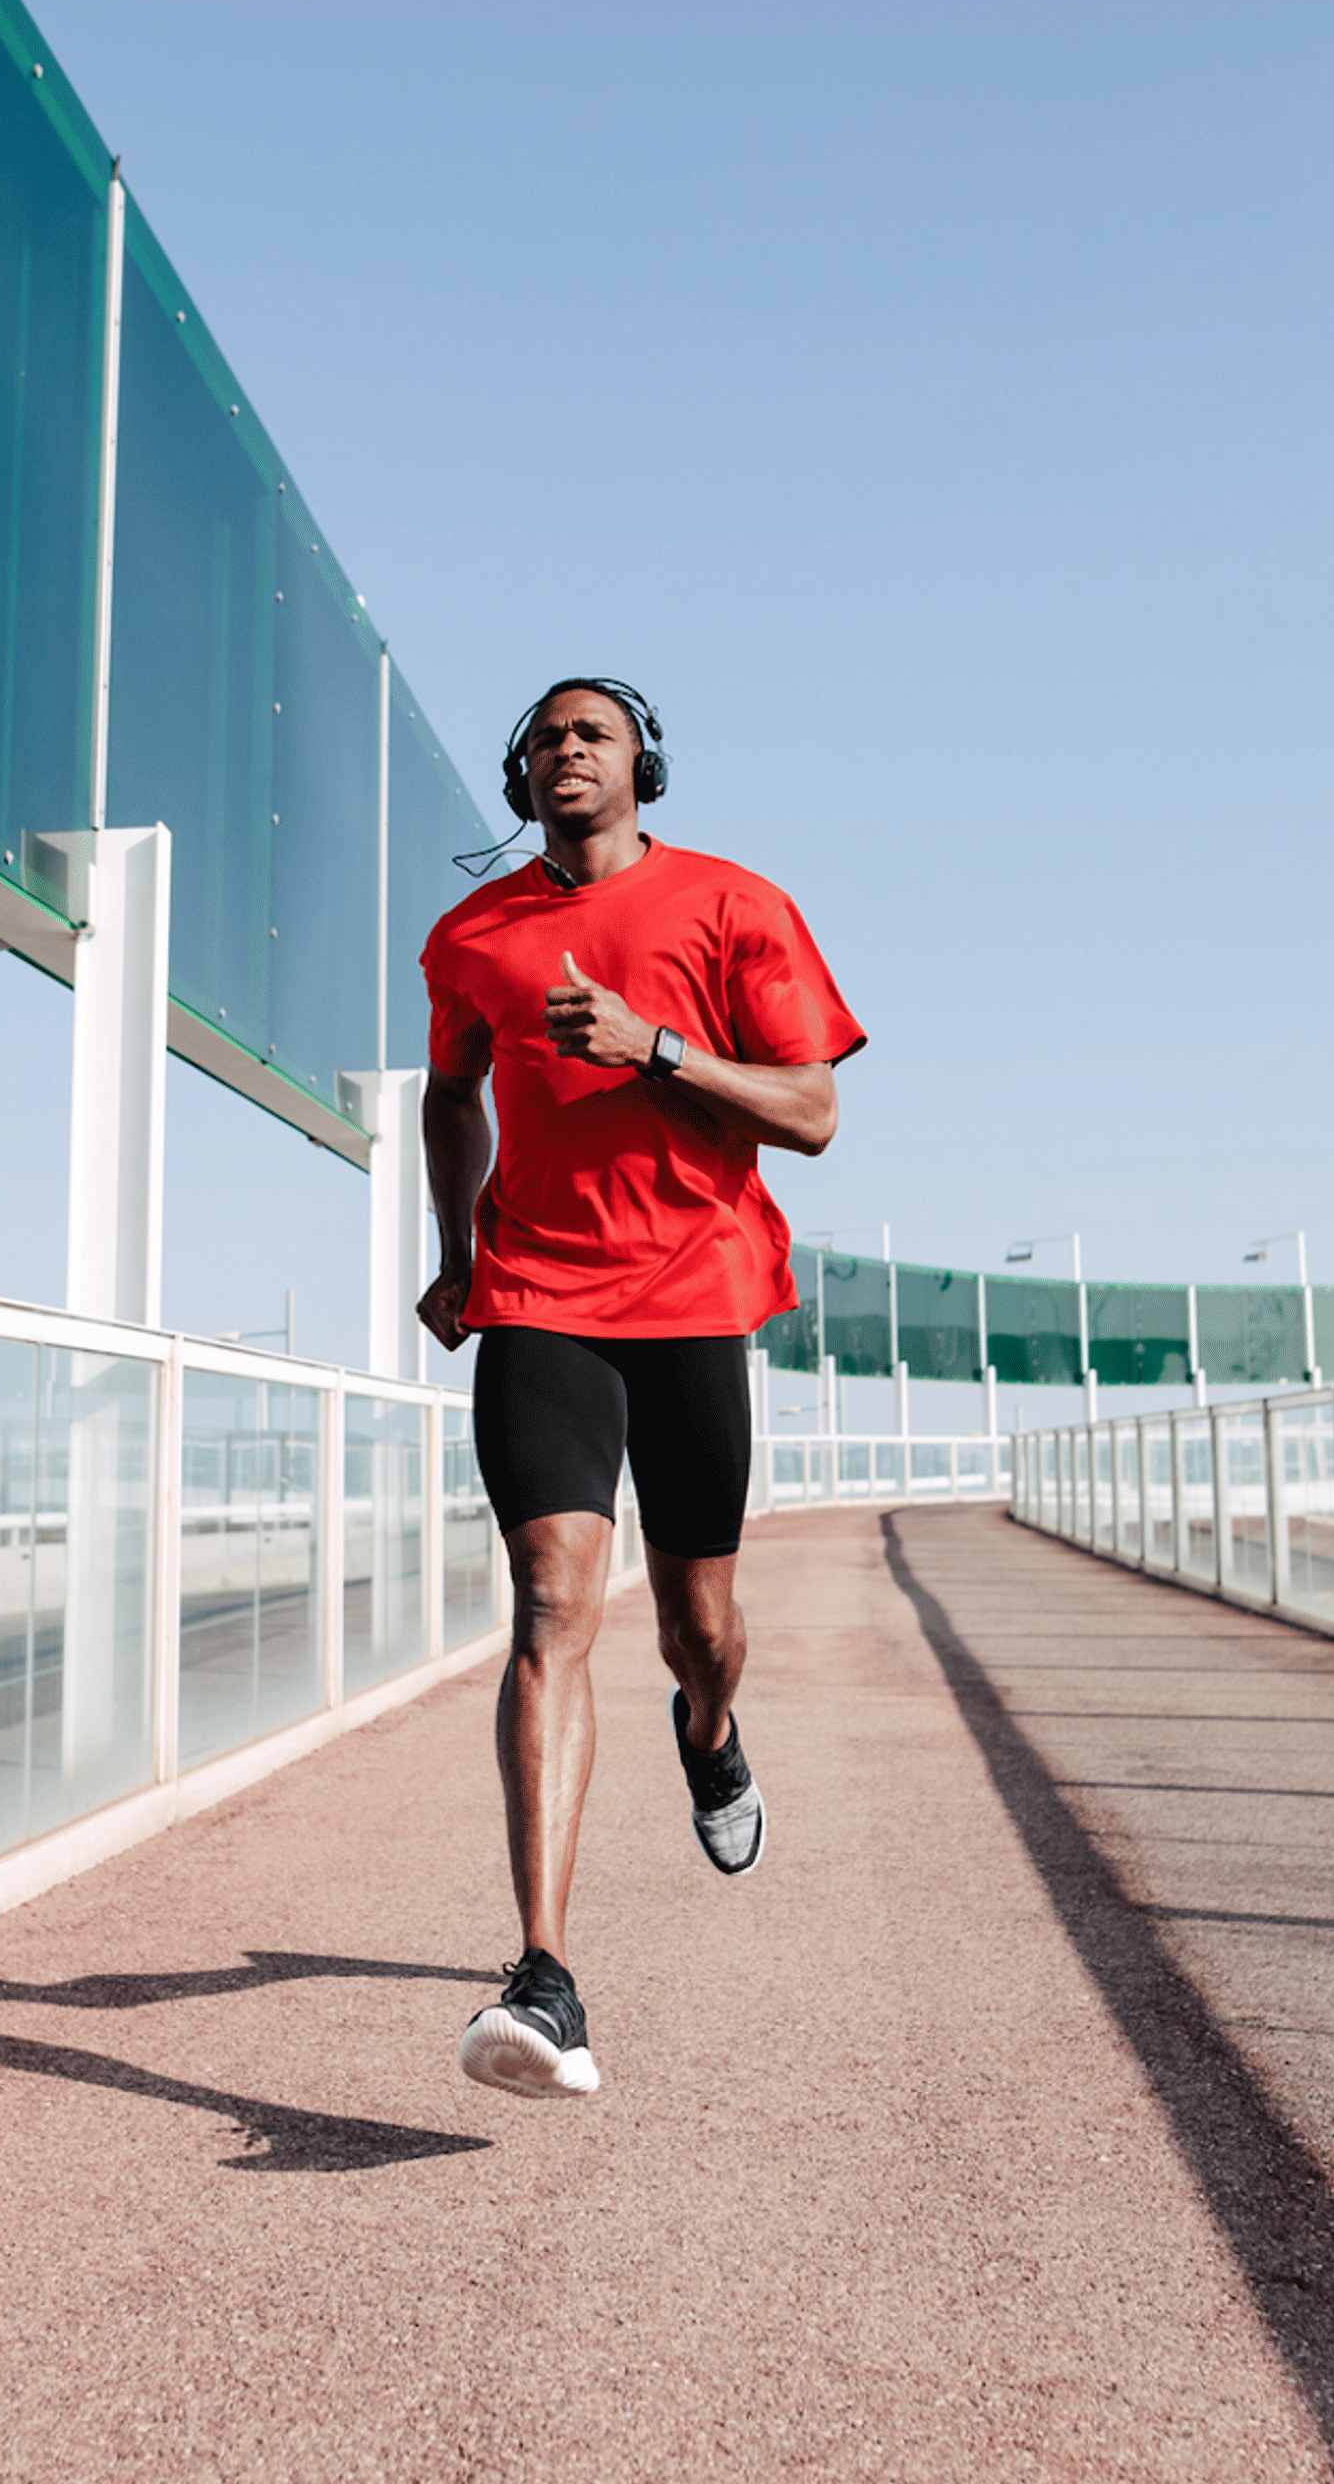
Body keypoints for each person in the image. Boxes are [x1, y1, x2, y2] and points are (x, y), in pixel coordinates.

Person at [415, 676, 864, 2097]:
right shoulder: (470, 938)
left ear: (641, 765)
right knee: (552, 1607)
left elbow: (813, 1113)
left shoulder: (735, 905)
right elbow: (450, 1094)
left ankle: (710, 1733)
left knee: (697, 1628)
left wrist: (652, 1046)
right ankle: (543, 1979)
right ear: (519, 776)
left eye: (591, 734)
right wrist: (454, 1257)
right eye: (543, 739)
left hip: (695, 1297)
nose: (565, 752)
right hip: (538, 1297)